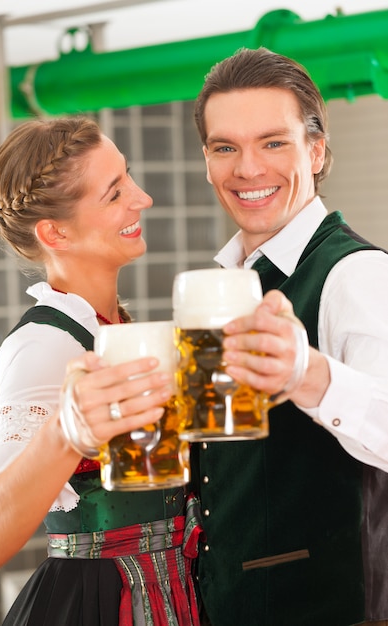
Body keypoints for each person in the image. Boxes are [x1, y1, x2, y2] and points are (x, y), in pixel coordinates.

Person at [0, 117, 201, 626]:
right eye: (115, 192)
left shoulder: (110, 326)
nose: (143, 199)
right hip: (101, 605)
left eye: (130, 178)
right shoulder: (45, 345)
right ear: (55, 232)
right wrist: (66, 432)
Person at [190, 47, 388, 626]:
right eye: (225, 147)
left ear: (317, 149)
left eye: (273, 142)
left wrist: (308, 374)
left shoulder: (357, 273)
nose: (247, 169)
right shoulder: (225, 282)